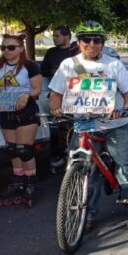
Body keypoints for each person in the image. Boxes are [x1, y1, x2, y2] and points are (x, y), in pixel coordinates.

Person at [48, 21, 128, 230]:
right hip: (85, 124)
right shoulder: (69, 65)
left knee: (125, 167)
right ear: (78, 42)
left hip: (115, 122)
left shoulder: (113, 64)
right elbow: (55, 94)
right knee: (87, 171)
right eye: (86, 39)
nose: (92, 44)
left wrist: (125, 106)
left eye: (97, 40)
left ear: (103, 43)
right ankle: (87, 213)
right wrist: (55, 108)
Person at [0, 34, 42, 205]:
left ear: (21, 49)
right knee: (12, 149)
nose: (7, 51)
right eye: (3, 48)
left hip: (26, 112)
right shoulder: (0, 65)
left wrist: (27, 95)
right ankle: (18, 180)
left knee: (24, 149)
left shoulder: (30, 66)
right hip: (5, 111)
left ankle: (30, 182)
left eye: (11, 47)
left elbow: (37, 89)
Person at [40, 25, 75, 170]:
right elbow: (45, 73)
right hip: (58, 93)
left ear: (67, 36)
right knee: (63, 125)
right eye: (53, 36)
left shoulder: (76, 51)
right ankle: (64, 156)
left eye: (57, 36)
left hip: (78, 94)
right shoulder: (51, 52)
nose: (54, 39)